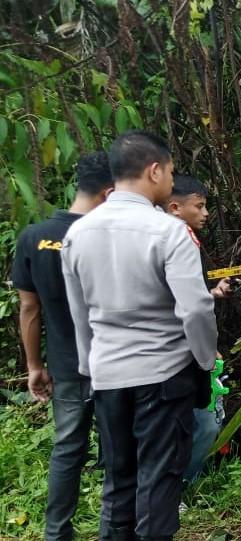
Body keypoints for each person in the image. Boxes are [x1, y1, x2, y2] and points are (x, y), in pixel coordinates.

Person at [61, 130, 217, 541]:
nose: (170, 180)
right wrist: (203, 360)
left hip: (107, 375)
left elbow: (80, 314)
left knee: (119, 479)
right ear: (153, 171)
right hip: (163, 375)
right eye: (168, 171)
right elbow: (196, 307)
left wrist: (88, 367)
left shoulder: (77, 234)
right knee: (159, 480)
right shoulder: (168, 232)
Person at [12, 152, 113, 541]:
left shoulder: (34, 237)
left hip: (67, 365)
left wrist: (35, 365)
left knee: (68, 448)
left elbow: (29, 307)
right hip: (113, 362)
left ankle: (56, 533)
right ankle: (112, 529)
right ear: (109, 192)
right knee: (116, 451)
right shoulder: (106, 236)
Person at [164, 173, 232, 484]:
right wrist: (206, 351)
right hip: (181, 352)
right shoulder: (179, 238)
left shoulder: (150, 236)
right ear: (175, 207)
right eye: (200, 206)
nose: (205, 214)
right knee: (202, 422)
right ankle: (176, 487)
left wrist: (211, 293)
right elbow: (190, 308)